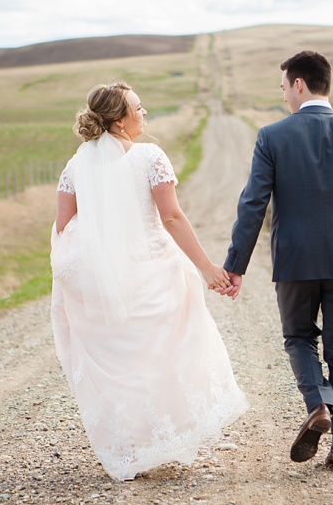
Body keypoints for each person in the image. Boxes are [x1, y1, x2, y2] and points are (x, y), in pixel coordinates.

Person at [50, 81, 247, 482]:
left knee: (120, 361)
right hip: (153, 271)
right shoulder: (149, 157)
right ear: (119, 121)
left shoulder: (75, 165)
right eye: (138, 108)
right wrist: (207, 268)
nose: (144, 113)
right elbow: (172, 217)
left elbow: (64, 226)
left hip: (100, 282)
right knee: (161, 351)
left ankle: (128, 447)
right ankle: (162, 435)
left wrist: (89, 267)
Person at [222, 51, 333, 473]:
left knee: (298, 339)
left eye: (283, 88)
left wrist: (236, 265)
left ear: (299, 84)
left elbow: (253, 204)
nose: (283, 97)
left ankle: (318, 405)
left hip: (294, 262)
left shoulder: (272, 137)